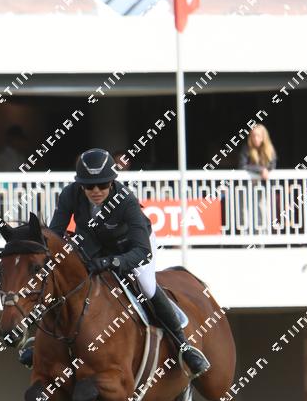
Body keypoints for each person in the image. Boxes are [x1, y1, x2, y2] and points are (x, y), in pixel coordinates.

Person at [42, 148, 209, 377]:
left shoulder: (126, 201)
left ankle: (183, 345)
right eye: (89, 186)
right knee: (61, 280)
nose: (96, 191)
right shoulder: (70, 194)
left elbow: (142, 252)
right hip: (94, 244)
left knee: (146, 286)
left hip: (131, 246)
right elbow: (55, 235)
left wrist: (112, 261)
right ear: (80, 185)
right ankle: (40, 338)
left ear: (112, 181)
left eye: (102, 185)